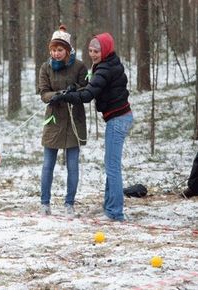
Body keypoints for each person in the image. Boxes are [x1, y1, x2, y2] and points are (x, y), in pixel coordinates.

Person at [50, 32, 133, 222]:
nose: (93, 54)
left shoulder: (105, 68)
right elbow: (91, 88)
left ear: (106, 50)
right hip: (117, 118)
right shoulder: (106, 64)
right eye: (90, 50)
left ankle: (115, 212)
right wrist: (73, 90)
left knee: (112, 167)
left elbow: (88, 95)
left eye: (97, 51)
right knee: (110, 164)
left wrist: (65, 96)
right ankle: (109, 206)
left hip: (118, 120)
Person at [38, 25, 88, 216]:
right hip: (53, 120)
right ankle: (45, 202)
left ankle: (69, 203)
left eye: (60, 50)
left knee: (73, 164)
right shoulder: (45, 67)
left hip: (74, 120)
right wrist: (55, 95)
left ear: (67, 50)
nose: (56, 53)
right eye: (53, 50)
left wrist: (73, 91)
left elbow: (85, 88)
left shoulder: (80, 66)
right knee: (48, 163)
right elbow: (43, 93)